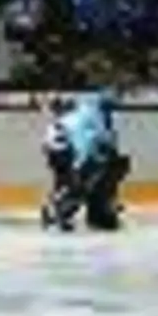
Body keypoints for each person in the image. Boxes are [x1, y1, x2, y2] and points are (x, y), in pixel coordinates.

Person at [40, 91, 131, 231]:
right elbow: (87, 141)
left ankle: (97, 212)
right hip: (80, 157)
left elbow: (97, 141)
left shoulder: (84, 116)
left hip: (82, 157)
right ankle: (61, 211)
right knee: (79, 185)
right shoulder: (83, 117)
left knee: (84, 184)